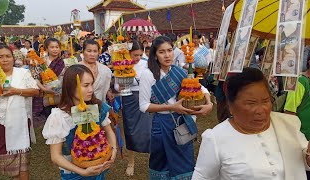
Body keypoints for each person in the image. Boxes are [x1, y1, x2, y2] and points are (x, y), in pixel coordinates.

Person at [192, 67, 310, 180]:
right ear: (231, 105)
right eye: (251, 103)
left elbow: (303, 158)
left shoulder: (287, 125)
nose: (260, 110)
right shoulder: (215, 139)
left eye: (265, 101)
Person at [139, 36, 213, 179]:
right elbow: (144, 106)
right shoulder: (148, 75)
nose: (167, 55)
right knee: (161, 161)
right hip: (161, 124)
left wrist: (209, 103)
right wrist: (173, 107)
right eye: (162, 52)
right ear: (154, 54)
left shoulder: (178, 71)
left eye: (170, 50)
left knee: (184, 160)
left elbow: (201, 87)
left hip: (181, 123)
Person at [42, 64, 117, 179]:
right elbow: (56, 156)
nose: (91, 89)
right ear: (71, 87)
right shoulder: (60, 117)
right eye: (86, 85)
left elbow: (109, 131)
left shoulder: (97, 107)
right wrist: (82, 172)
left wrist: (113, 150)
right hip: (74, 175)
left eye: (92, 84)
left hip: (99, 170)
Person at [0, 45, 39, 180]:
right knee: (3, 157)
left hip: (20, 121)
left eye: (8, 56)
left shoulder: (22, 73)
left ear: (13, 58)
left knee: (22, 159)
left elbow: (35, 91)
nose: (5, 60)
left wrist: (16, 91)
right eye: (0, 57)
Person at [115, 41, 152, 177]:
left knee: (147, 129)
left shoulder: (147, 63)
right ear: (128, 53)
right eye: (135, 55)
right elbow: (116, 86)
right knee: (130, 130)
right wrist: (120, 87)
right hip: (128, 98)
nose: (137, 58)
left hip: (144, 97)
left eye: (140, 55)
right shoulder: (121, 63)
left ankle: (152, 159)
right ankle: (131, 162)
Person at [32, 38, 65, 123]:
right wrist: (44, 89)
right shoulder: (41, 62)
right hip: (45, 94)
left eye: (57, 47)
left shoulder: (64, 62)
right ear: (46, 48)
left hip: (61, 95)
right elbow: (36, 78)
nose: (55, 49)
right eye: (52, 47)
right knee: (48, 119)